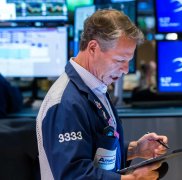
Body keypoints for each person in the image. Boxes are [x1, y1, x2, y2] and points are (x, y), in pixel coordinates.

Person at [36, 9, 168, 180]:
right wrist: (133, 178)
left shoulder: (94, 86)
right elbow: (74, 175)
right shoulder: (66, 103)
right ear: (93, 48)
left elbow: (93, 149)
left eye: (129, 61)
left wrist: (135, 150)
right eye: (120, 60)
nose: (126, 70)